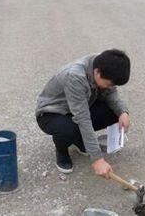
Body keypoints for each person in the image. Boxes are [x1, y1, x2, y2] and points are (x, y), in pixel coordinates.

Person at [36, 49, 131, 178]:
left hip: (79, 106)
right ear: (97, 72)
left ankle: (79, 139)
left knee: (114, 112)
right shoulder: (75, 76)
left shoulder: (103, 64)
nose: (110, 87)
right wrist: (97, 159)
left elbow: (111, 94)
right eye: (109, 84)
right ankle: (61, 150)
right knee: (68, 129)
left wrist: (123, 112)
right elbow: (82, 118)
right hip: (52, 113)